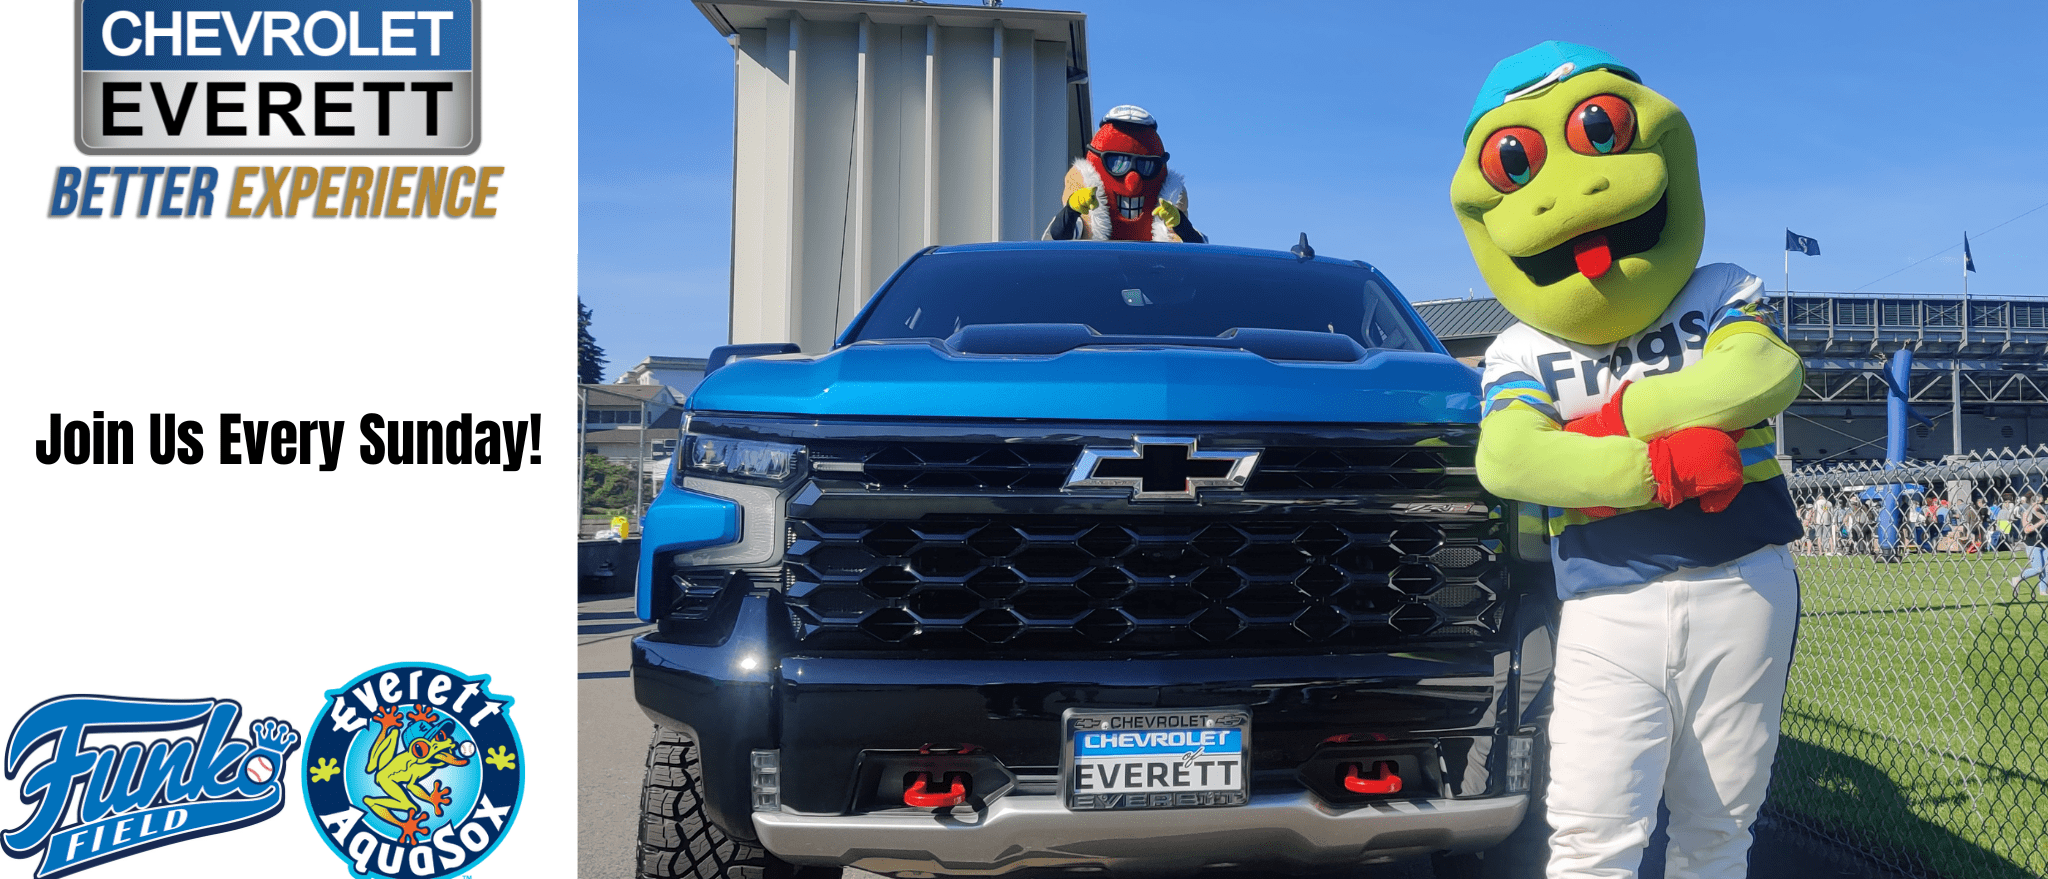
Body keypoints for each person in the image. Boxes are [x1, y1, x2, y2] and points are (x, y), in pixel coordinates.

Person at [1458, 42, 1803, 877]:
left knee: (1718, 833)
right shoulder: (1518, 345)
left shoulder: (1717, 286)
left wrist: (1613, 419)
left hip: (1742, 578)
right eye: (1521, 163)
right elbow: (1508, 458)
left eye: (1600, 133)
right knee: (1588, 837)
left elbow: (1762, 373)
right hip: (1607, 601)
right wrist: (1663, 467)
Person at [1042, 105, 1206, 243]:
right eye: (1117, 163)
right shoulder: (1083, 222)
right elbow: (1055, 241)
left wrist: (1181, 226)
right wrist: (1071, 211)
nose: (1132, 182)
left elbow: (1199, 252)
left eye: (1146, 166)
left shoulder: (1171, 222)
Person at [2009, 491, 2047, 600]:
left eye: (2043, 502)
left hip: (2045, 544)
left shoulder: (2043, 513)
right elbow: (2026, 530)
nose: (2042, 504)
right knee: (2038, 568)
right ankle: (2018, 579)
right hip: (2033, 544)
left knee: (2047, 569)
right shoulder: (2027, 513)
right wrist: (2041, 523)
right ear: (2033, 503)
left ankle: (2043, 591)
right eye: (2040, 503)